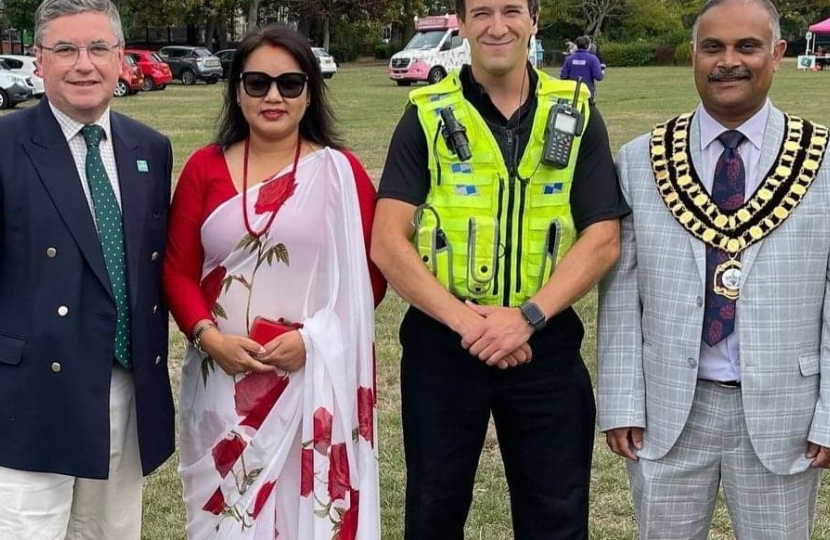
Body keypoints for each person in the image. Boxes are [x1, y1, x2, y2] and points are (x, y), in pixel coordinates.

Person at [372, 0, 629, 537]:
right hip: (444, 346)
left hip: (545, 342)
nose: (496, 26)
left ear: (533, 20)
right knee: (433, 513)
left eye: (511, 10)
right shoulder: (426, 112)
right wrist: (473, 325)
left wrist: (527, 317)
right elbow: (388, 242)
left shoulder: (575, 110)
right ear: (461, 25)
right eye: (481, 12)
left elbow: (602, 237)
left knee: (556, 518)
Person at [597, 0, 830, 538]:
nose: (729, 61)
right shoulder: (641, 159)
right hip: (668, 409)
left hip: (785, 412)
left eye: (747, 47)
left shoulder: (821, 159)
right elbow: (621, 291)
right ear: (694, 58)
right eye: (713, 47)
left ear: (777, 54)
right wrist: (621, 401)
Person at [163, 24, 386, 539]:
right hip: (222, 382)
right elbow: (176, 269)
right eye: (257, 82)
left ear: (310, 92)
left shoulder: (340, 173)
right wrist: (208, 337)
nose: (273, 97)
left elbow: (369, 278)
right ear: (236, 89)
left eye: (290, 84)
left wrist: (312, 342)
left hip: (314, 382)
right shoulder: (204, 168)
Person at [0, 0, 175, 537]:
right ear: (38, 59)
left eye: (98, 48)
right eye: (65, 49)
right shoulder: (5, 147)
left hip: (123, 391)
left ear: (121, 57)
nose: (84, 64)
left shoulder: (150, 148)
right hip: (29, 400)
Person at [560, 36, 604, 103]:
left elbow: (563, 76)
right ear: (587, 45)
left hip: (572, 92)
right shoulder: (593, 59)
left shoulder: (569, 59)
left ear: (576, 45)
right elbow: (599, 77)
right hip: (587, 93)